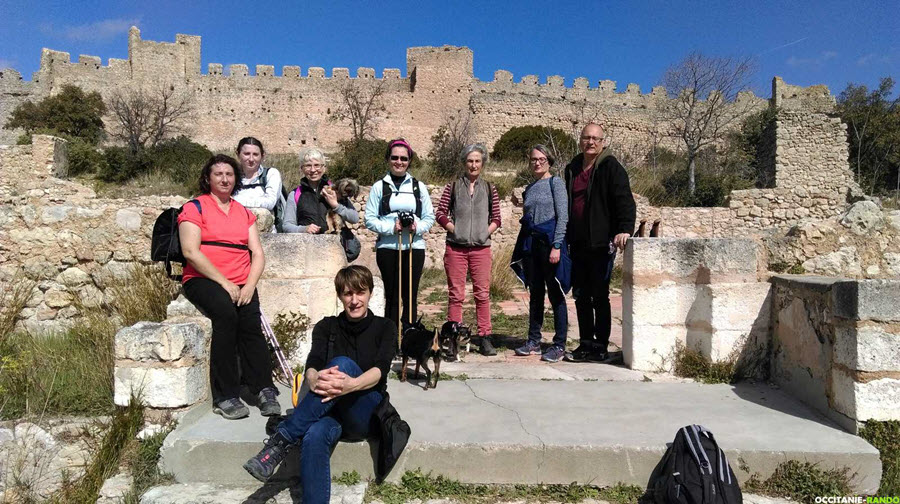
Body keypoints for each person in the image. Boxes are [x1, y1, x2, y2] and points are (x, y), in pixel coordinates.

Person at [243, 265, 398, 504]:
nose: (354, 300)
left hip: (364, 411)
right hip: (329, 412)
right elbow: (313, 362)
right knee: (314, 434)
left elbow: (380, 370)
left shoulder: (385, 327)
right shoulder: (327, 327)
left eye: (360, 292)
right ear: (339, 296)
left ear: (370, 293)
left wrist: (352, 384)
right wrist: (313, 378)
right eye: (348, 294)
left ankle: (280, 442)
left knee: (342, 365)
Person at [178, 154, 280, 419]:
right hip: (203, 279)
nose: (224, 179)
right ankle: (225, 395)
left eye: (229, 174)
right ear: (207, 178)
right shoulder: (194, 208)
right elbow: (190, 251)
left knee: (251, 323)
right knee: (225, 315)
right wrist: (224, 282)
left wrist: (249, 285)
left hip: (241, 279)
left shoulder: (243, 212)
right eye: (218, 174)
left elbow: (257, 253)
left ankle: (263, 387)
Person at [563, 123, 636, 363]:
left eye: (595, 138)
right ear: (580, 140)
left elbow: (624, 199)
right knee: (581, 295)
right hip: (578, 242)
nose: (591, 142)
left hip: (601, 242)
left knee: (600, 295)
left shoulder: (610, 167)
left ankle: (600, 345)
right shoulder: (572, 167)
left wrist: (624, 229)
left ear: (603, 142)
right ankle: (585, 344)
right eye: (587, 138)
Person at [435, 143, 502, 356]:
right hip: (456, 248)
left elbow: (497, 218)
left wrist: (485, 232)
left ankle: (485, 337)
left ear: (483, 164)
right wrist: (454, 229)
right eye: (470, 161)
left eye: (477, 161)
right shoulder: (453, 186)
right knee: (456, 295)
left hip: (481, 249)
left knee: (482, 294)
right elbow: (440, 213)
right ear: (464, 163)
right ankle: (453, 339)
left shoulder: (490, 188)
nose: (473, 165)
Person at [364, 138, 435, 329]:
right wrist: (390, 228)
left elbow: (429, 217)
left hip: (414, 245)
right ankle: (391, 338)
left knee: (410, 295)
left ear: (409, 161)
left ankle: (409, 336)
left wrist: (416, 228)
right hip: (388, 247)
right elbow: (369, 219)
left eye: (404, 158)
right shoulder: (380, 187)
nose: (399, 162)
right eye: (394, 157)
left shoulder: (418, 187)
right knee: (392, 295)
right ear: (388, 159)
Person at [511, 145, 570, 363]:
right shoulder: (530, 187)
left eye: (542, 159)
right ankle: (533, 341)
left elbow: (563, 217)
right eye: (534, 159)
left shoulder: (556, 183)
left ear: (549, 161)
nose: (537, 162)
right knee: (535, 294)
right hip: (532, 246)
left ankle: (559, 344)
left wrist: (557, 246)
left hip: (550, 244)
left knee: (556, 294)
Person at [281, 147, 359, 234]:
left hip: (335, 244)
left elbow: (354, 218)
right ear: (302, 169)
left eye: (317, 165)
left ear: (324, 168)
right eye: (308, 165)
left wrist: (336, 205)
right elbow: (287, 226)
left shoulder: (335, 190)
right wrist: (304, 229)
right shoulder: (295, 194)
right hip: (307, 245)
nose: (313, 170)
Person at [232, 136, 283, 212]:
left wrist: (233, 201)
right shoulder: (231, 177)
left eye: (255, 154)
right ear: (238, 154)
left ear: (262, 156)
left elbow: (270, 202)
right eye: (247, 154)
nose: (251, 159)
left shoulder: (271, 174)